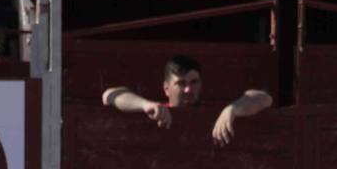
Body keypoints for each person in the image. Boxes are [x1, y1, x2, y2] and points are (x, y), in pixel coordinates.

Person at [101, 54, 274, 147]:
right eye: (181, 83)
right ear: (166, 88)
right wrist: (145, 105)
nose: (188, 89)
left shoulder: (220, 113)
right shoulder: (157, 109)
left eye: (194, 82)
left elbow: (264, 98)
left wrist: (233, 109)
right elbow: (109, 95)